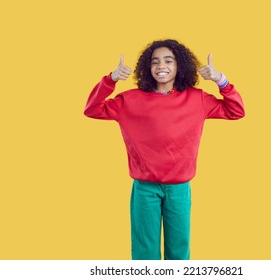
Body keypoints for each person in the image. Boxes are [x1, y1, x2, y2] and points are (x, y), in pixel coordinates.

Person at [84, 39, 245, 260]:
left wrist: (221, 80)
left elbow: (236, 110)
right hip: (144, 189)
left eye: (169, 61)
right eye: (155, 62)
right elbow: (91, 109)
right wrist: (110, 80)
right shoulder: (129, 100)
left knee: (179, 251)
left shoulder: (196, 98)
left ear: (179, 67)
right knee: (144, 252)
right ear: (147, 68)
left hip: (179, 189)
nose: (161, 66)